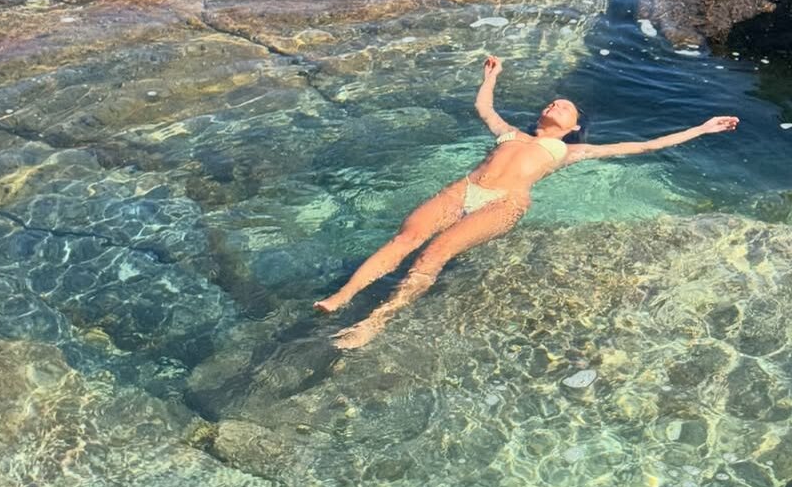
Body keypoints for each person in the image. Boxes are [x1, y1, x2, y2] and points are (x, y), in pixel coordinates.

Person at [316, 55, 739, 349]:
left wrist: (701, 128)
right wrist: (491, 76)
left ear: (573, 127)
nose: (556, 103)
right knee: (404, 239)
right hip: (464, 188)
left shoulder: (570, 151)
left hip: (504, 203)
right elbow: (484, 107)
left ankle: (375, 323)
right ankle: (343, 295)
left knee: (434, 254)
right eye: (553, 101)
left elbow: (643, 146)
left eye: (565, 106)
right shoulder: (510, 134)